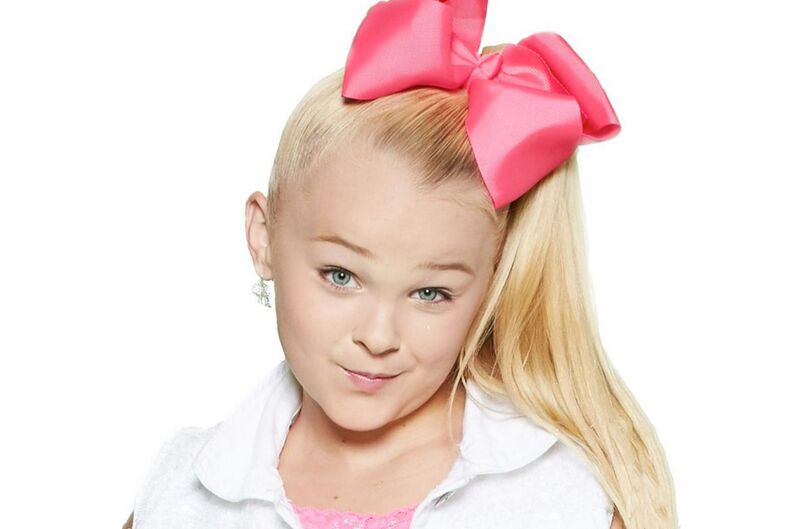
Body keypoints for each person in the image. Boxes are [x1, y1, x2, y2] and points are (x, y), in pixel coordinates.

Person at [125, 1, 678, 528]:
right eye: (341, 276)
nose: (378, 337)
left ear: (492, 282)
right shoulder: (178, 494)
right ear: (263, 237)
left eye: (430, 293)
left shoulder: (563, 496)